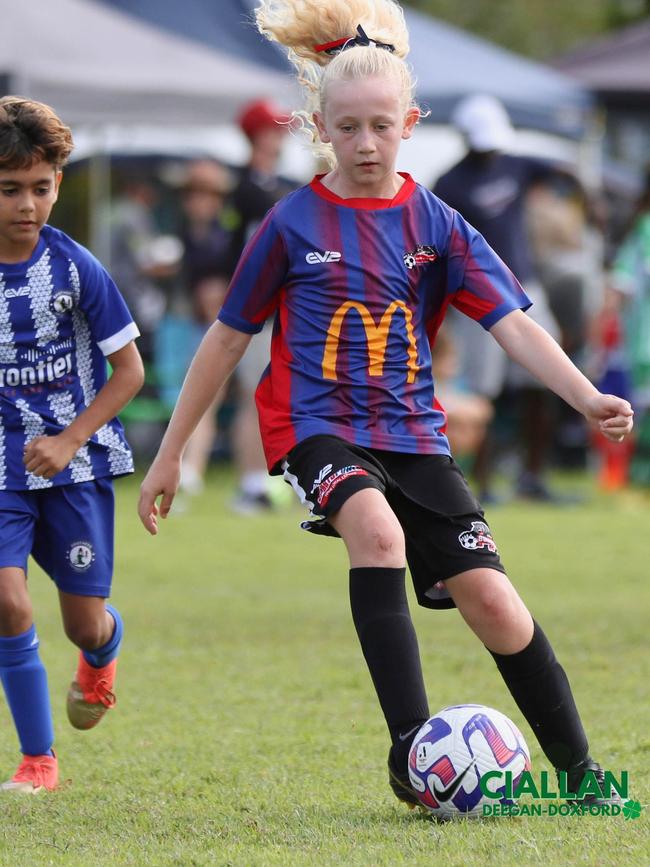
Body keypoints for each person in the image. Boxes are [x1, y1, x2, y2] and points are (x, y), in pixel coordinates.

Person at [138, 0, 633, 809]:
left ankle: (583, 776)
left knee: (497, 604)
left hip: (413, 434)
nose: (365, 144)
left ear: (410, 123)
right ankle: (413, 752)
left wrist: (585, 396)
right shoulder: (290, 222)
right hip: (315, 428)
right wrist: (169, 451)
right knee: (376, 529)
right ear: (321, 128)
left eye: (381, 126)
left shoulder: (438, 223)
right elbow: (227, 339)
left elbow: (512, 324)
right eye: (348, 128)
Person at [0, 97, 144, 793]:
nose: (27, 205)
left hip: (74, 463)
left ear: (58, 182)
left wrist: (68, 438)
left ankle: (101, 654)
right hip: (0, 466)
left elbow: (131, 371)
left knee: (81, 623)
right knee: (7, 603)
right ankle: (38, 759)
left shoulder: (77, 268)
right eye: (9, 190)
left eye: (41, 188)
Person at [433, 94, 572, 502]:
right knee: (482, 393)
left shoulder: (517, 164)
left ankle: (532, 476)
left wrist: (588, 205)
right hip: (477, 297)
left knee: (544, 382)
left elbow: (567, 173)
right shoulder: (450, 183)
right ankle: (482, 482)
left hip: (527, 288)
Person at [225, 99, 297, 513]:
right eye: (274, 130)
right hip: (255, 310)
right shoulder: (248, 188)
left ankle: (278, 479)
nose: (280, 137)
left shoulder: (273, 184)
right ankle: (252, 482)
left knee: (280, 395)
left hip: (280, 310)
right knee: (255, 394)